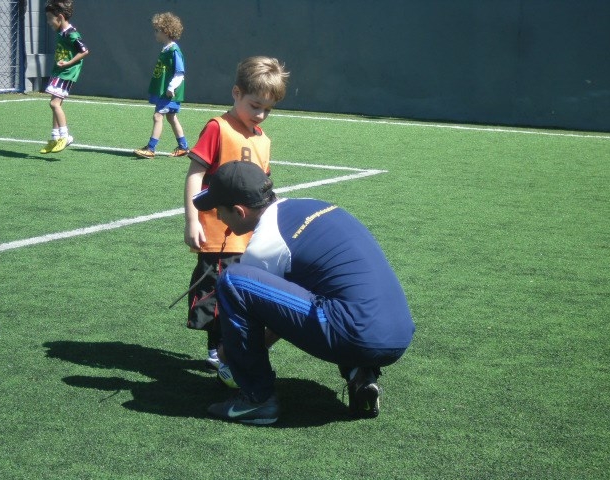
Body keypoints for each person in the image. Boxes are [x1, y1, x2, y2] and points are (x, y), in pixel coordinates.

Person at [192, 161, 416, 425]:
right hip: (399, 333)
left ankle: (256, 400)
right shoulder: (314, 204)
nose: (218, 217)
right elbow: (289, 307)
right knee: (335, 294)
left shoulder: (264, 246)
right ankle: (360, 374)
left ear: (239, 212)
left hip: (356, 332)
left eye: (219, 209)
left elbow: (264, 318)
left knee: (233, 280)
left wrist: (231, 354)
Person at [183, 57, 289, 383]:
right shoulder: (218, 127)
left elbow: (264, 189)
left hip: (250, 235)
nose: (260, 115)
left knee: (244, 292)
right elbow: (195, 173)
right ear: (236, 93)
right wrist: (192, 219)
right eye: (255, 105)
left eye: (267, 110)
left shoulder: (263, 139)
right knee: (216, 291)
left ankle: (232, 345)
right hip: (216, 232)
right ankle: (217, 349)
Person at [134, 12, 189, 159]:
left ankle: (151, 149)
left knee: (158, 116)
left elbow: (180, 72)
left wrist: (171, 88)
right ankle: (183, 147)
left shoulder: (174, 50)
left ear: (166, 32)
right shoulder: (166, 49)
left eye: (157, 30)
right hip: (165, 92)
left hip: (169, 93)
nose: (155, 33)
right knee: (171, 117)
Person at [39, 0, 89, 154]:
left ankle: (65, 136)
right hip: (58, 72)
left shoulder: (71, 33)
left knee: (55, 104)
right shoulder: (61, 32)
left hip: (66, 73)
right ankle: (54, 138)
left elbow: (84, 51)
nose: (48, 22)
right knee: (53, 104)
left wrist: (68, 64)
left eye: (49, 19)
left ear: (59, 17)